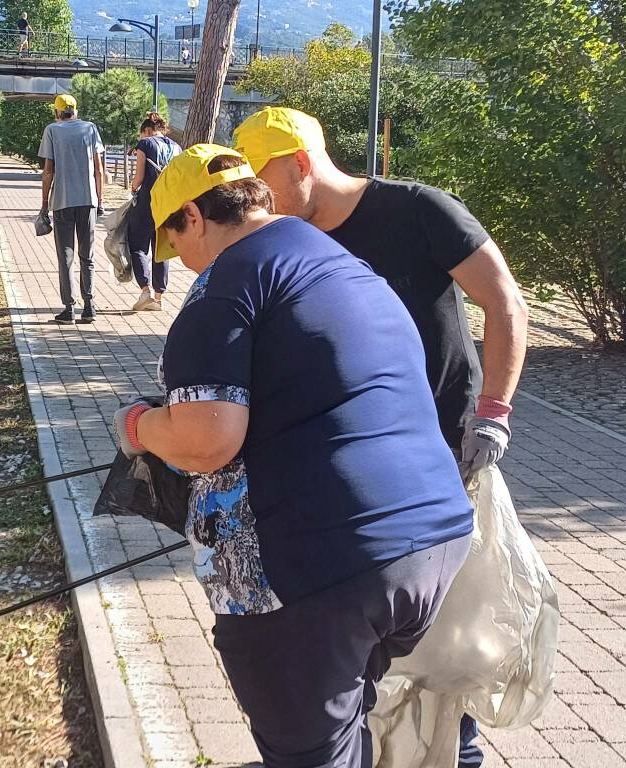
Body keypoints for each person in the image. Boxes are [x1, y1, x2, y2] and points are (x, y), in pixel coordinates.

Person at [111, 144, 474, 768]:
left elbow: (207, 438)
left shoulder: (226, 286)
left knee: (311, 752)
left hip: (317, 573)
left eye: (179, 246)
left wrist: (140, 426)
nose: (187, 267)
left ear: (193, 218)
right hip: (432, 544)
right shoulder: (346, 266)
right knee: (339, 723)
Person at [233, 106, 529, 767]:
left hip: (445, 463)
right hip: (346, 471)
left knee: (443, 649)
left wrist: (493, 414)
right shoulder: (283, 242)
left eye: (262, 186)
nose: (255, 205)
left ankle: (460, 755)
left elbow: (504, 300)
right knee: (357, 644)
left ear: (302, 165)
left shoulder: (418, 212)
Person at [38, 94, 105, 324]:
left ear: (57, 112)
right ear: (75, 110)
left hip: (62, 201)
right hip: (88, 200)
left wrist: (44, 205)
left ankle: (69, 309)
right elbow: (98, 169)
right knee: (88, 256)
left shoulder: (53, 131)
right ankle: (90, 306)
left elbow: (48, 171)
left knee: (65, 256)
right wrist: (100, 200)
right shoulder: (90, 129)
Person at [127, 112, 181, 311]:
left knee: (138, 246)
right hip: (167, 205)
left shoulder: (146, 144)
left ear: (147, 130)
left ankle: (145, 290)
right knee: (161, 249)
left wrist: (132, 188)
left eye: (142, 134)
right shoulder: (176, 147)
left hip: (146, 203)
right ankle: (159, 298)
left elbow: (139, 178)